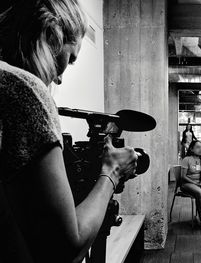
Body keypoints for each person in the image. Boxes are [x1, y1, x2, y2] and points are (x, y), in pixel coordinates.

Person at [0, 1, 137, 262]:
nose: (60, 78)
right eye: (70, 59)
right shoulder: (24, 89)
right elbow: (66, 248)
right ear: (52, 34)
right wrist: (112, 172)